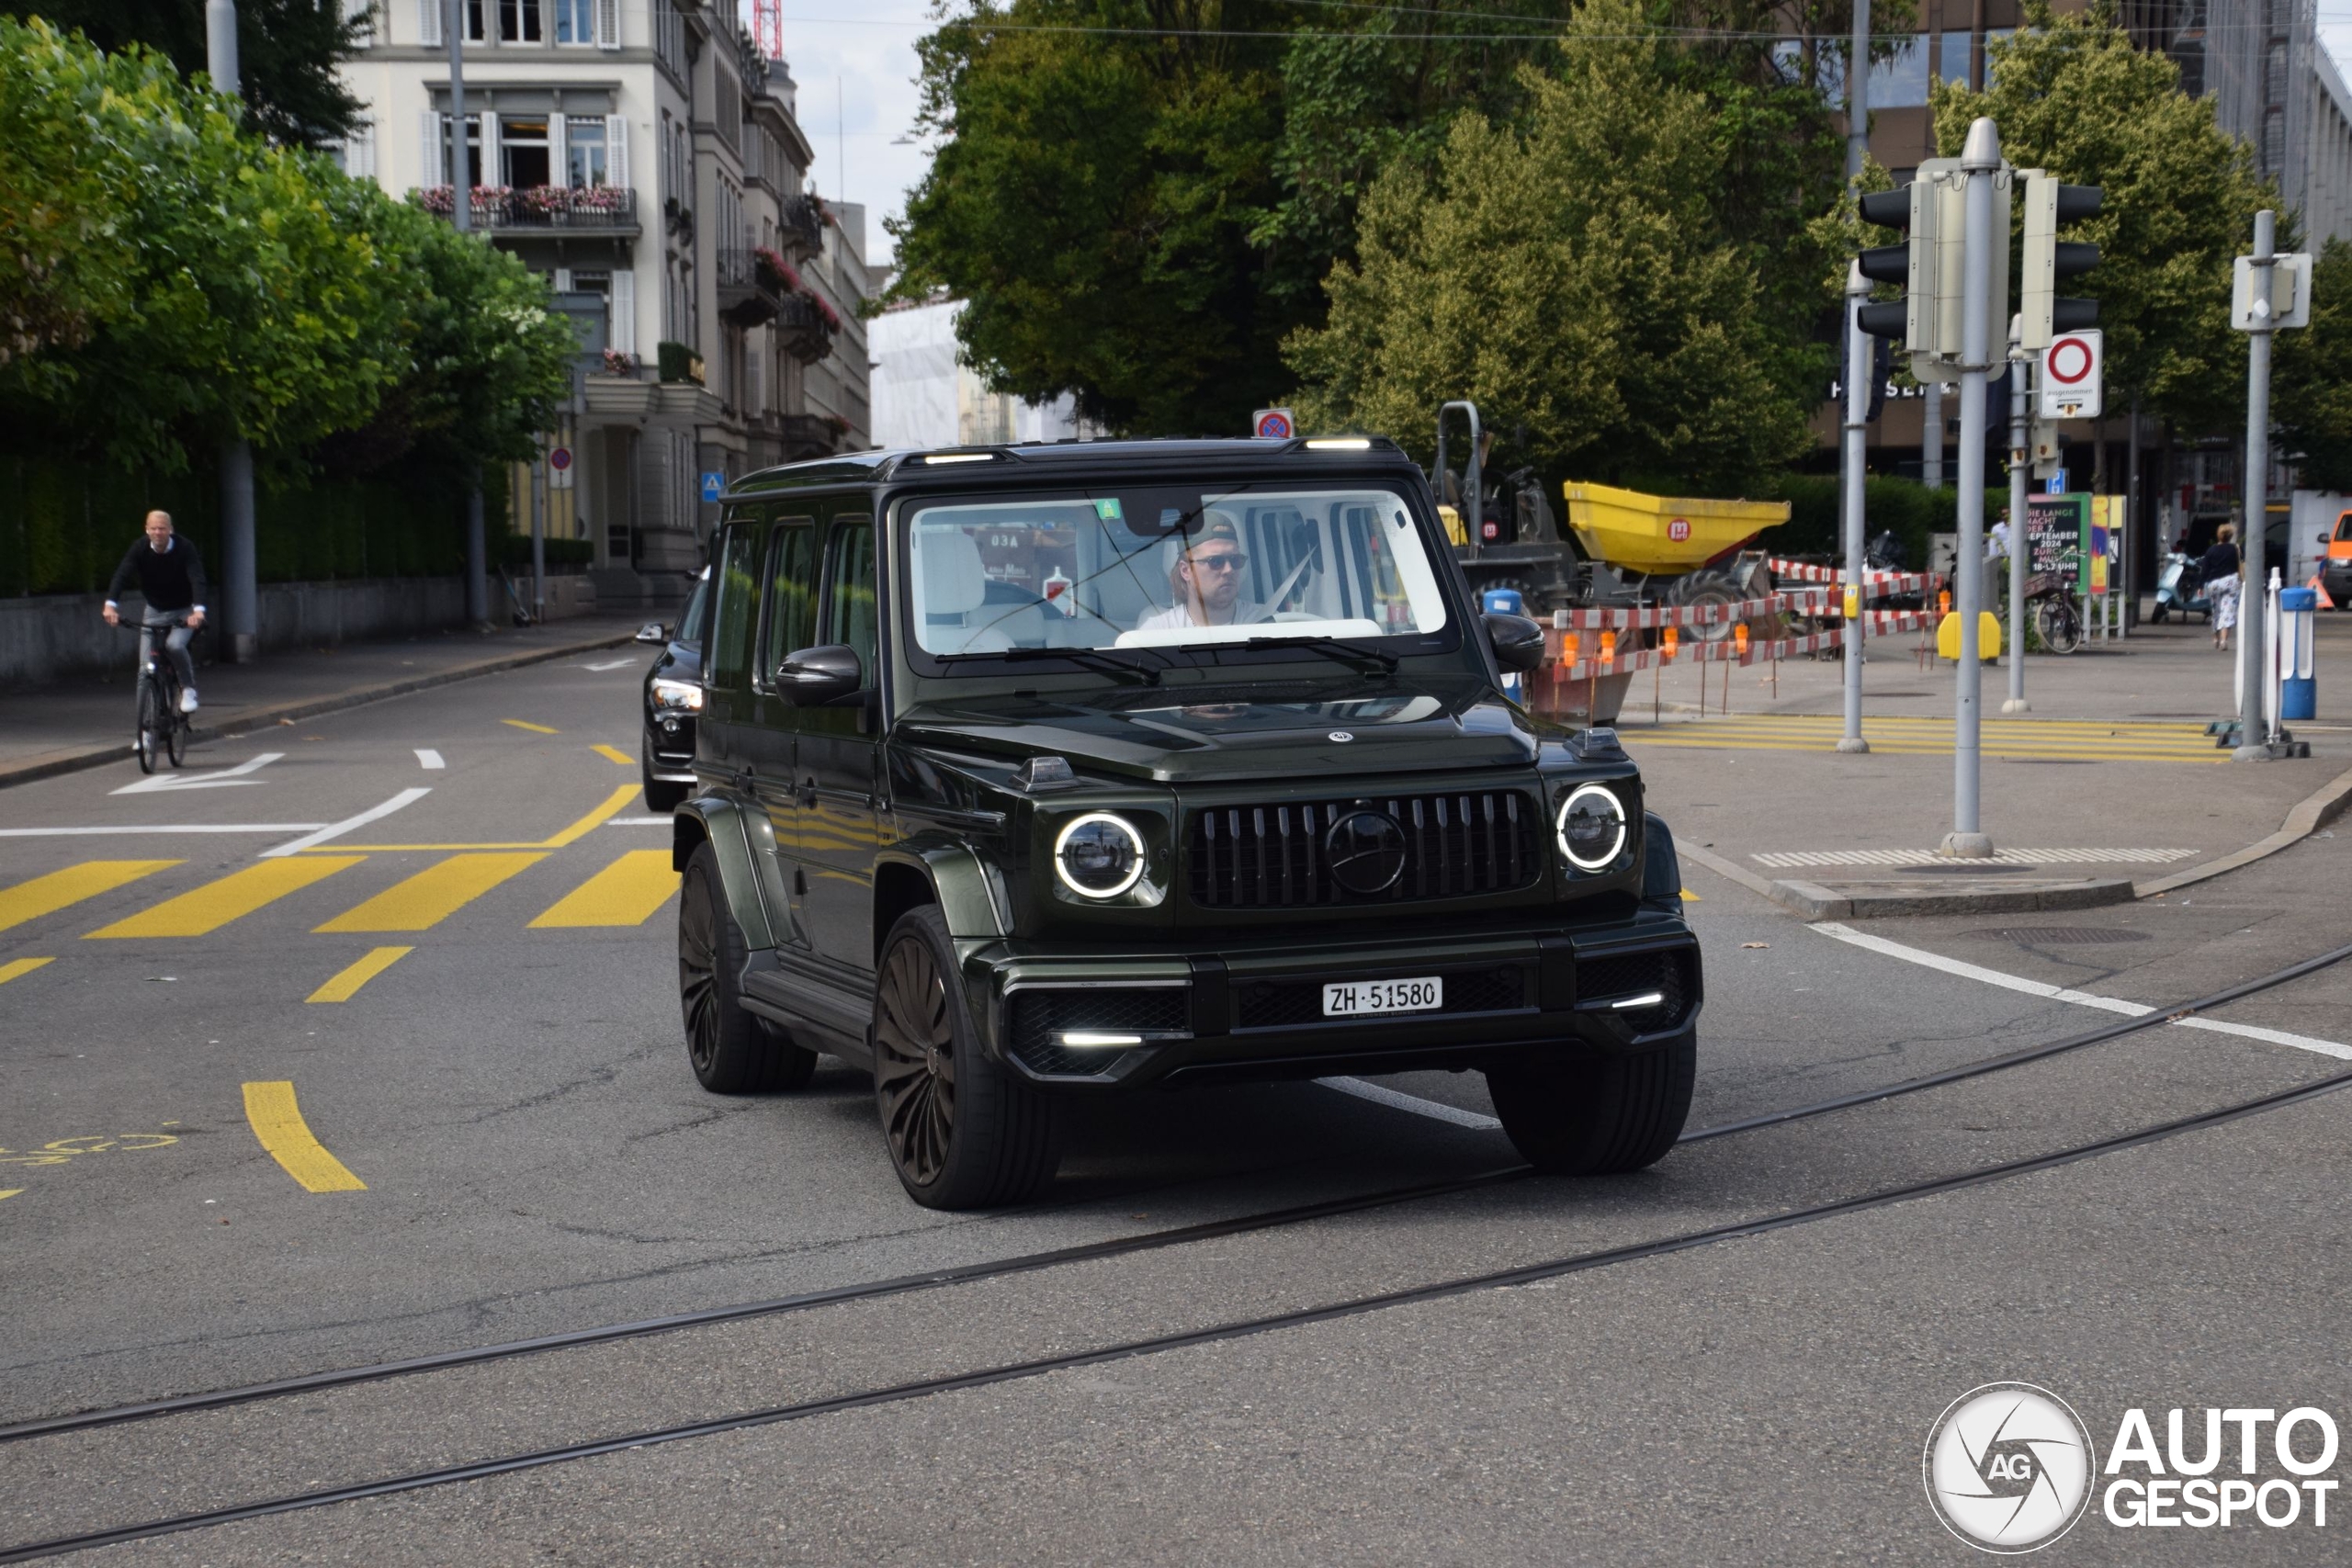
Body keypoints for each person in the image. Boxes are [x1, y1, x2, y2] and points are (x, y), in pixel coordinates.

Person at [103, 509, 209, 721]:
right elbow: (122, 574)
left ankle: (188, 689)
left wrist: (198, 611)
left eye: (162, 528)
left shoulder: (185, 548)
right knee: (144, 671)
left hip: (183, 610)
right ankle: (144, 733)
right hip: (154, 610)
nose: (158, 532)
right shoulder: (140, 548)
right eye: (153, 528)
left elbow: (197, 578)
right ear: (146, 529)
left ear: (170, 530)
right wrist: (110, 605)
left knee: (175, 646)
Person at [1136, 516, 1254, 631]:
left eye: (1235, 560)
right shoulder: (1160, 628)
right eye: (1215, 561)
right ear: (1185, 570)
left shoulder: (1264, 620)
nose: (1229, 569)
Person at [2199, 522, 2241, 652]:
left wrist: (2200, 585)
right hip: (2231, 582)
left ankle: (2216, 638)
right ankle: (2224, 640)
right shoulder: (2235, 549)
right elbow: (2241, 564)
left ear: (2219, 536)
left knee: (2216, 610)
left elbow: (2205, 569)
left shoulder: (2211, 550)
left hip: (2215, 583)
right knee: (2228, 611)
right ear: (2230, 536)